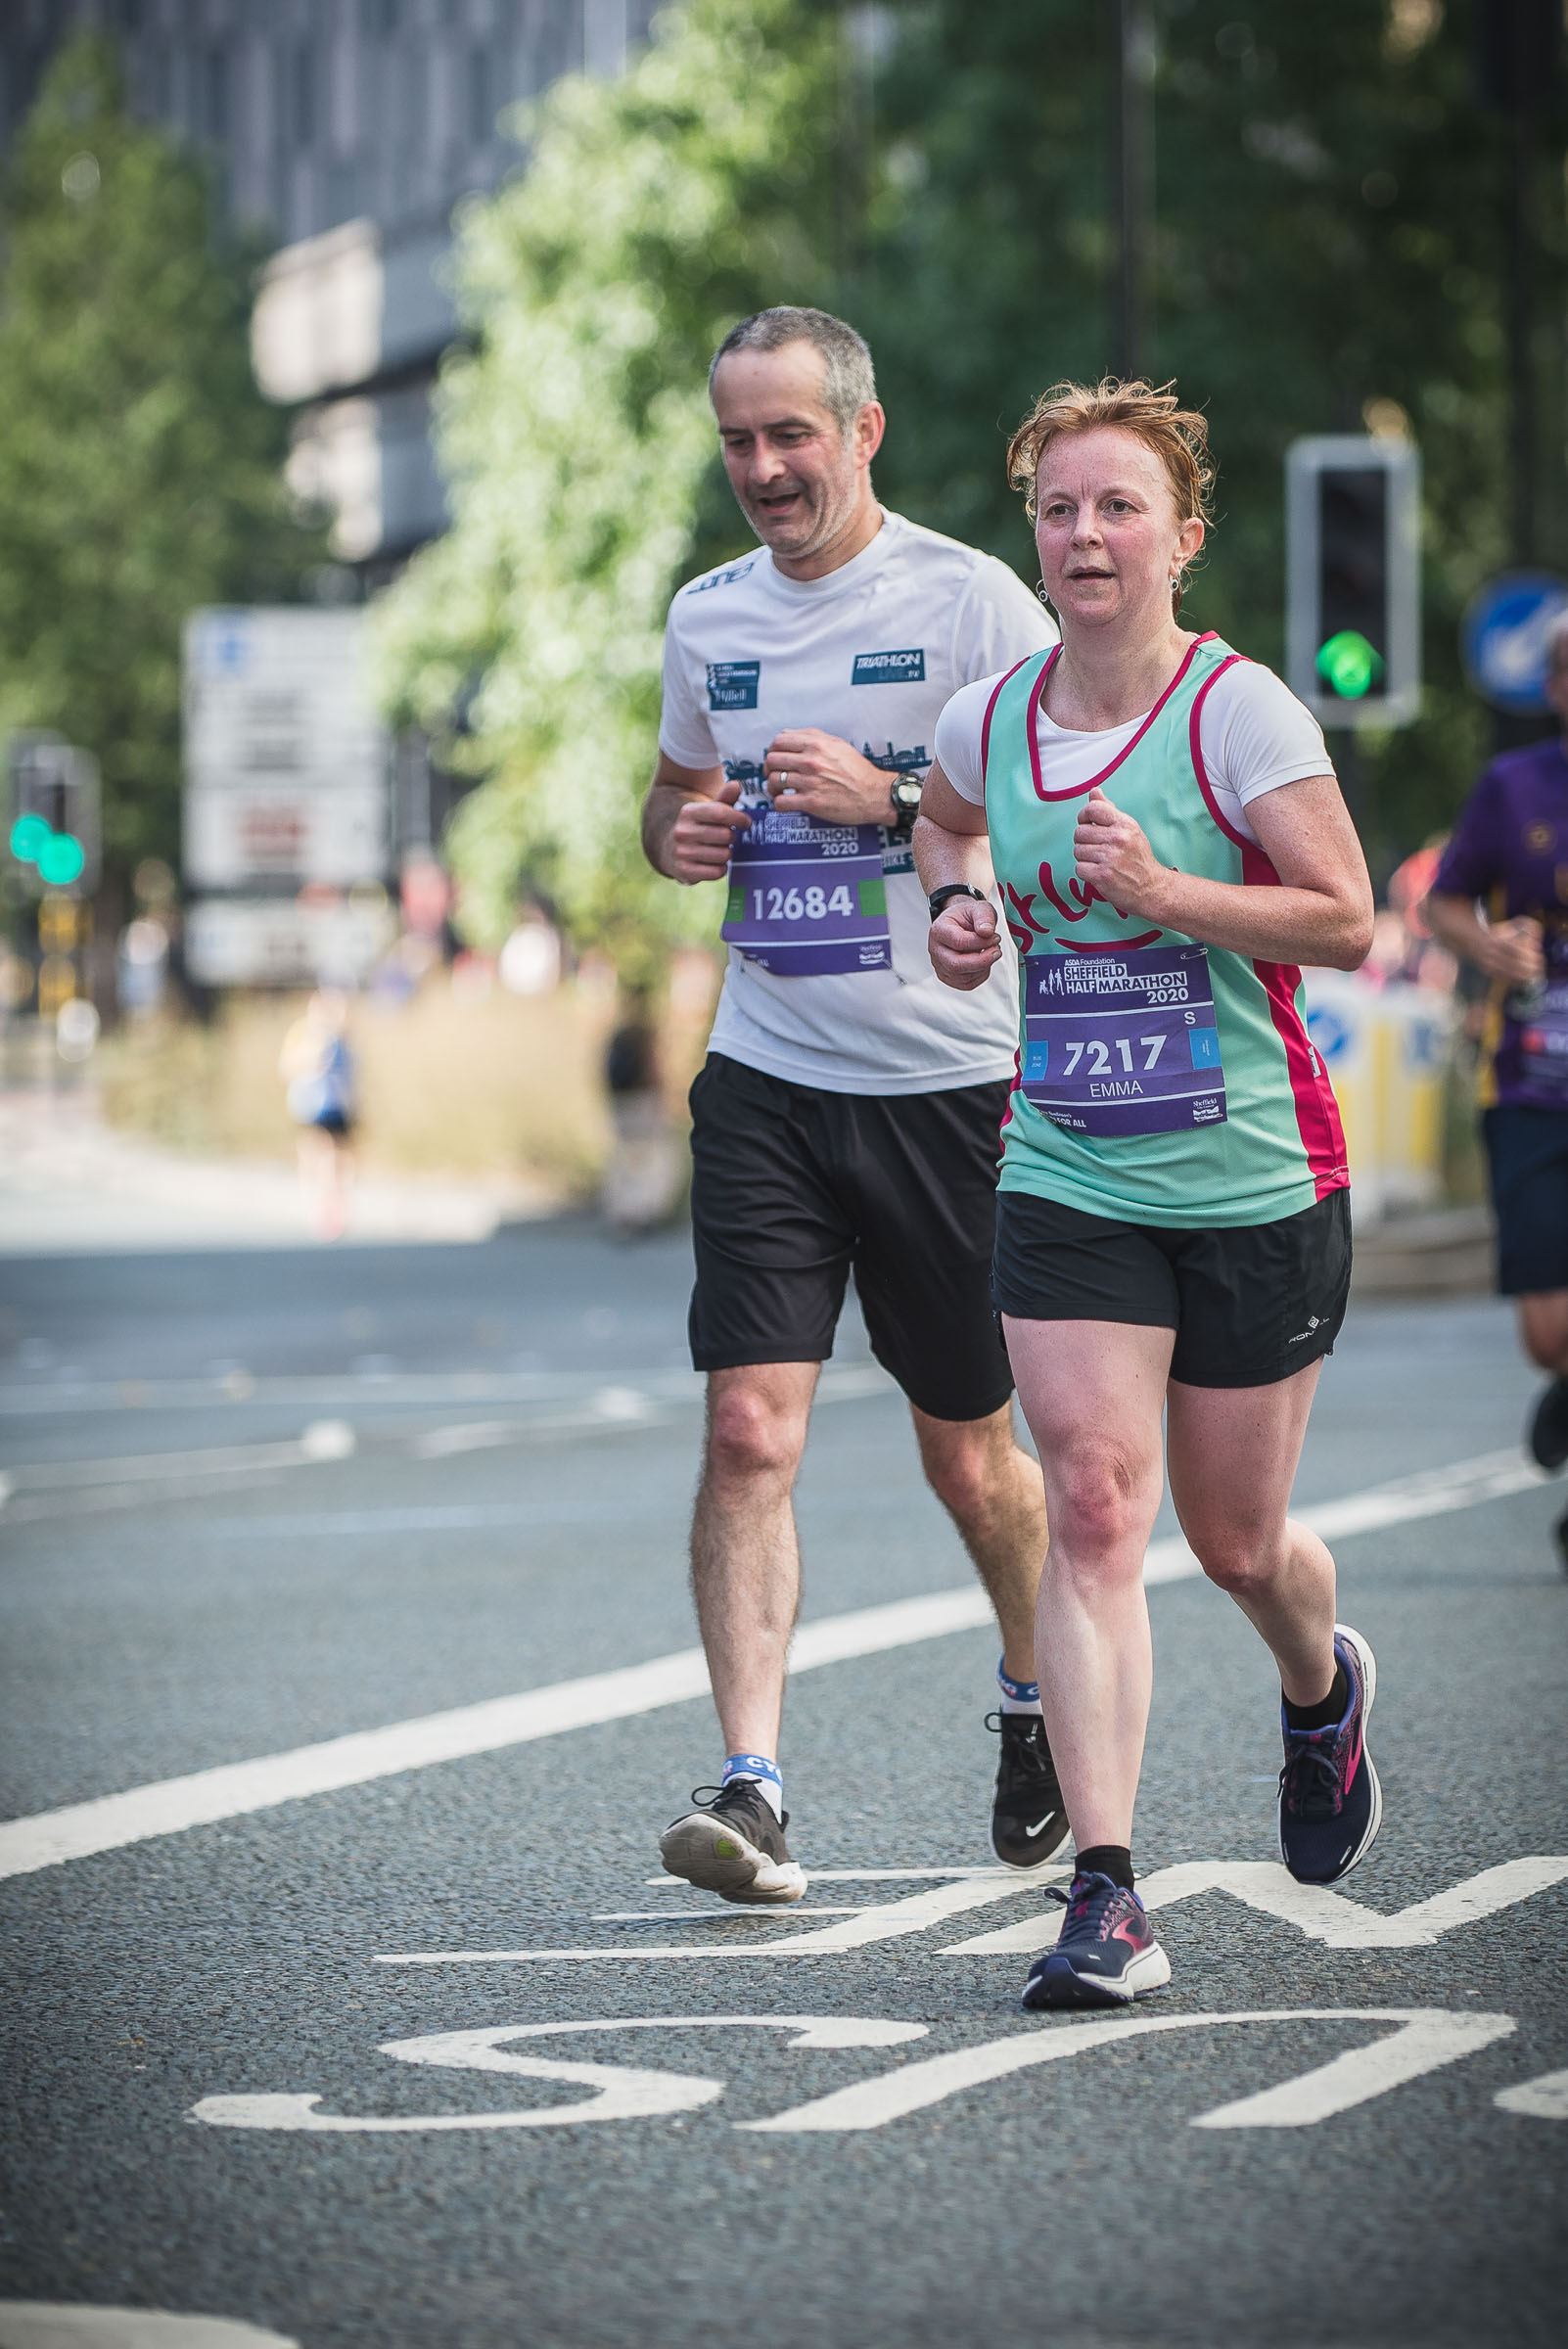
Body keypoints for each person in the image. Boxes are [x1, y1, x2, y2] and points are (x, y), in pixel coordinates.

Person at [915, 377, 1378, 2007]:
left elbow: (1344, 921)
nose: (1084, 534)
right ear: (1030, 537)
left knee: (1239, 1546)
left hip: (1254, 1174)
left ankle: (1319, 1692)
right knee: (1097, 1510)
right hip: (1066, 1164)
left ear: (1179, 536)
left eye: (1117, 507)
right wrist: (959, 915)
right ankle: (1108, 1895)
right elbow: (945, 830)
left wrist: (1164, 889)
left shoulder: (1236, 714)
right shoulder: (990, 718)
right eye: (1056, 507)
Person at [641, 306, 1060, 1903]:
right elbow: (674, 794)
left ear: (860, 431)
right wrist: (672, 834)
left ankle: (1030, 1695)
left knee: (970, 1457)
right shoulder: (706, 617)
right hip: (767, 1072)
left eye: (788, 436)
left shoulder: (968, 604)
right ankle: (750, 1785)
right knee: (749, 1426)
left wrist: (889, 801)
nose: (760, 469)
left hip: (946, 1086)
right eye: (737, 440)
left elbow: (1063, 803)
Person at [1425, 611, 1568, 1568]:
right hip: (1529, 1086)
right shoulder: (1515, 787)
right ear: (1556, 689)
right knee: (1548, 1330)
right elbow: (1444, 898)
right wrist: (1489, 945)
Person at [279, 988, 357, 1242]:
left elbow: (352, 1074)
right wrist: (310, 1059)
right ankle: (319, 1210)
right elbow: (286, 1068)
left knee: (340, 1161)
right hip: (310, 1106)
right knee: (318, 1158)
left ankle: (336, 1210)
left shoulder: (342, 1037)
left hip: (339, 1106)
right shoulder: (303, 1034)